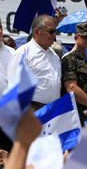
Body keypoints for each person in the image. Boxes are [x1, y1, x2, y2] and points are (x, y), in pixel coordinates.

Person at [7, 15, 61, 110]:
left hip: (52, 110)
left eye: (55, 32)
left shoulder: (54, 54)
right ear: (37, 32)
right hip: (31, 109)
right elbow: (13, 86)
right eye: (51, 32)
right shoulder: (23, 53)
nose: (54, 35)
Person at [61, 22, 87, 126]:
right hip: (79, 116)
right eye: (86, 37)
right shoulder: (70, 59)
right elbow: (71, 88)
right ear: (76, 38)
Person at [0, 19, 15, 154]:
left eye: (0, 27)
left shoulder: (13, 54)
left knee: (8, 154)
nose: (0, 31)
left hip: (8, 114)